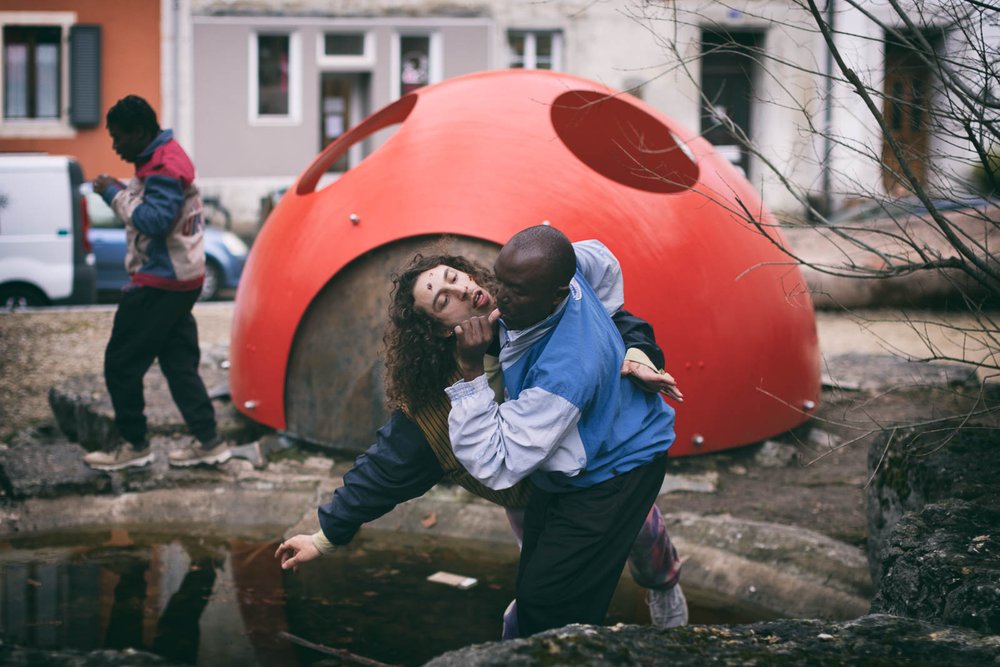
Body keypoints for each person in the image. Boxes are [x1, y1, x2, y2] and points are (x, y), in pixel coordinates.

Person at [275, 241, 688, 632]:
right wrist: (326, 536)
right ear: (437, 331)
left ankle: (665, 585)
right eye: (442, 300)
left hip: (610, 459)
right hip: (528, 486)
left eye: (454, 277)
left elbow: (606, 315)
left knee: (643, 537)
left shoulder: (525, 297)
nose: (459, 290)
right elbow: (390, 462)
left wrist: (639, 353)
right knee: (540, 595)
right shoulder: (442, 394)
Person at [445, 225, 677, 637]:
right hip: (586, 453)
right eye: (499, 279)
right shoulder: (568, 272)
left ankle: (662, 601)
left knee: (551, 607)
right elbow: (600, 259)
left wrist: (468, 371)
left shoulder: (567, 371)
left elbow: (498, 462)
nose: (501, 296)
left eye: (516, 290)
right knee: (537, 590)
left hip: (617, 471)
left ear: (556, 294)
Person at [83, 95, 233, 471]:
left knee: (120, 363)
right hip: (182, 280)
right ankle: (209, 441)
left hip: (160, 282)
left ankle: (134, 445)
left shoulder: (163, 166)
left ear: (138, 132)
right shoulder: (163, 156)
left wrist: (112, 193)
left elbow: (154, 220)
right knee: (179, 363)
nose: (114, 145)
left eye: (118, 137)